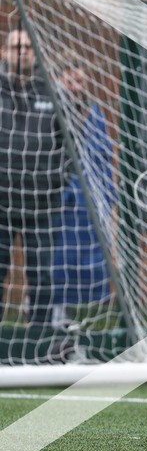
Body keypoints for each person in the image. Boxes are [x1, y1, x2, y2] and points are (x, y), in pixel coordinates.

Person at [0, 28, 64, 325]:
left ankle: (39, 340)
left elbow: (69, 146)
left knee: (41, 275)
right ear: (5, 53)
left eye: (27, 45)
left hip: (42, 205)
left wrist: (57, 180)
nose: (22, 50)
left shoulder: (51, 92)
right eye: (16, 46)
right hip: (2, 204)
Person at [50, 61, 115, 329]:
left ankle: (88, 321)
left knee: (91, 259)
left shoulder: (94, 113)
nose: (75, 87)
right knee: (56, 259)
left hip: (90, 199)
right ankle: (52, 314)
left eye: (79, 82)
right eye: (70, 81)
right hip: (58, 198)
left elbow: (103, 156)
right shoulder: (49, 110)